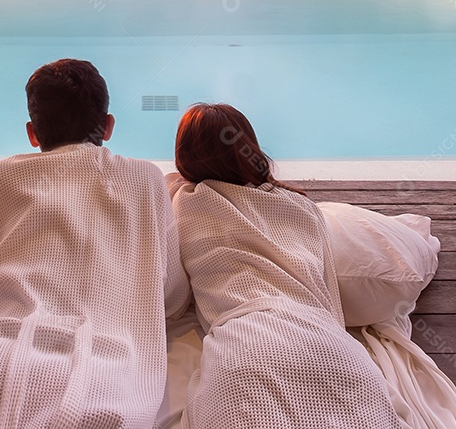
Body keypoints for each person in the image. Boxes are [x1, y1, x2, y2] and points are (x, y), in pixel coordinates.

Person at [0, 58, 190, 429]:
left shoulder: (1, 177)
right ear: (108, 126)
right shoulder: (146, 179)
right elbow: (171, 296)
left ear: (33, 133)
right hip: (111, 370)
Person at [169, 103, 403, 429]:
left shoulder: (185, 202)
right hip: (329, 346)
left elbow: (174, 297)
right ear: (249, 146)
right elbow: (327, 292)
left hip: (245, 349)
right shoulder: (302, 206)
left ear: (185, 157)